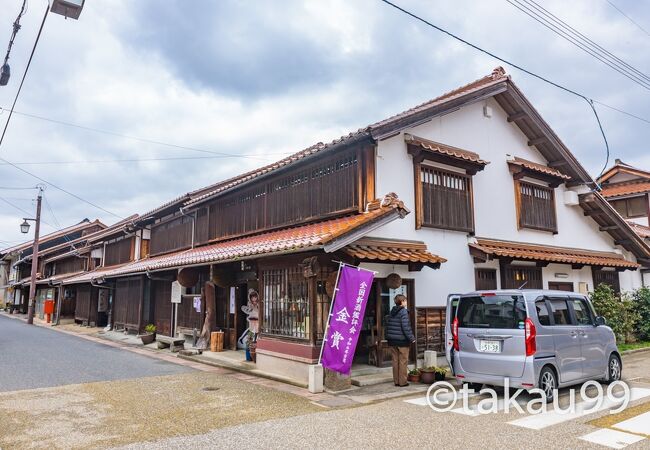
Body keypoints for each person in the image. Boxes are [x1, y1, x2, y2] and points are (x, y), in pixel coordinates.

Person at [385, 294, 416, 387]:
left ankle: (396, 381)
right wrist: (412, 338)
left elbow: (388, 326)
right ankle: (403, 382)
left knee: (395, 361)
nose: (406, 302)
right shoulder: (403, 312)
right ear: (402, 302)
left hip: (392, 341)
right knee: (403, 361)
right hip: (402, 341)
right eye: (405, 300)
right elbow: (406, 327)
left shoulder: (392, 311)